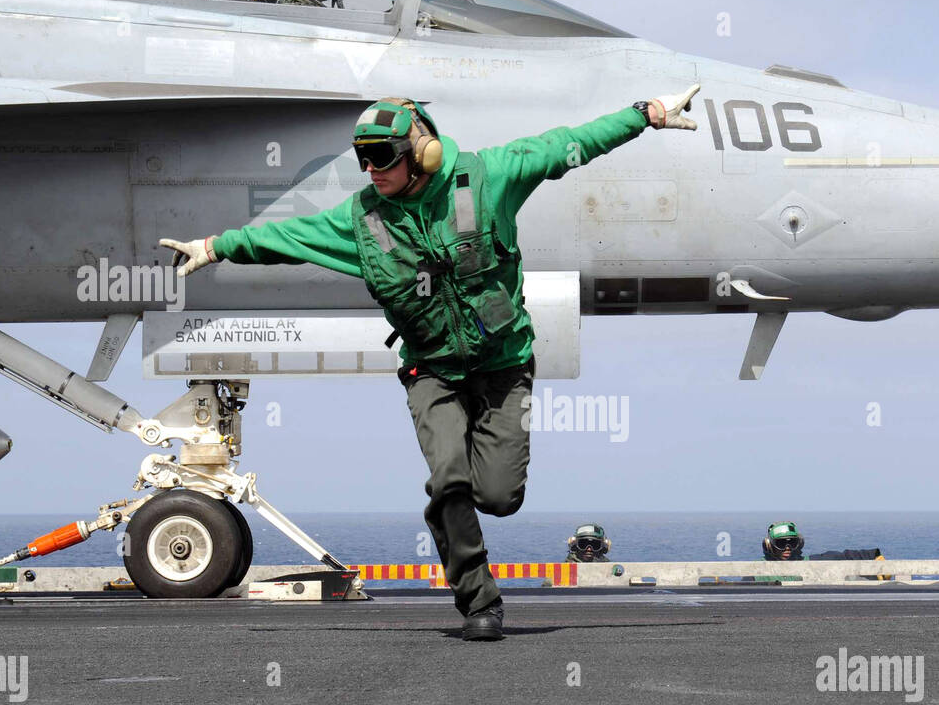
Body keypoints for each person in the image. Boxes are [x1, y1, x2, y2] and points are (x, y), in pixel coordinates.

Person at [160, 87, 701, 640]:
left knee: (498, 497)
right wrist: (216, 245)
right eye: (362, 158)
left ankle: (463, 506)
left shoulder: (490, 179)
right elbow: (286, 237)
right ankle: (479, 603)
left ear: (423, 153)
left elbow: (569, 144)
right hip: (432, 371)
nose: (370, 169)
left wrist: (645, 115)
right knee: (449, 482)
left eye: (382, 156)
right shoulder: (364, 222)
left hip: (503, 367)